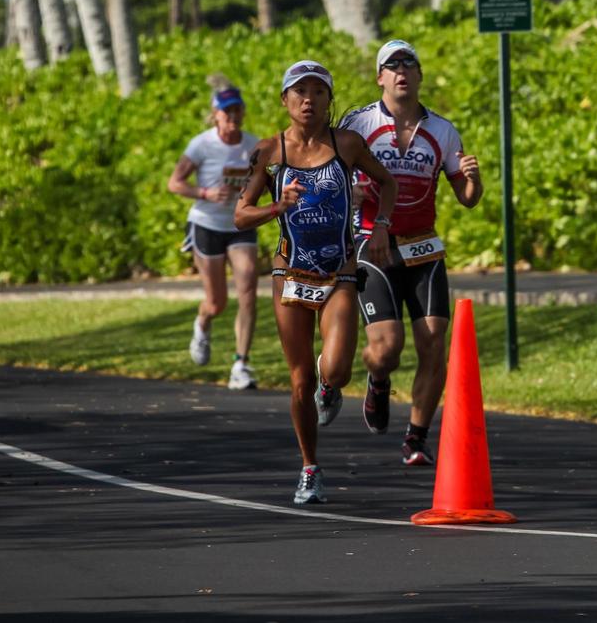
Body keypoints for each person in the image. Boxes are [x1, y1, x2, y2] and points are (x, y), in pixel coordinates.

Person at [235, 60, 397, 505]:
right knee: (300, 378)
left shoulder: (346, 143)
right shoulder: (270, 152)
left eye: (318, 92)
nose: (309, 100)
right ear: (285, 100)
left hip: (339, 272)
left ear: (329, 100)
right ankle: (310, 468)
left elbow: (386, 182)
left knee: (338, 369)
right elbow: (240, 213)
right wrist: (276, 208)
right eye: (299, 92)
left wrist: (380, 225)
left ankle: (333, 387)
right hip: (290, 273)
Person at [339, 40, 483, 466]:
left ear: (419, 75)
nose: (402, 70)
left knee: (435, 339)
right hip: (373, 242)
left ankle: (416, 438)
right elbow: (330, 178)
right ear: (380, 76)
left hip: (423, 246)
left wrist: (473, 180)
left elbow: (467, 197)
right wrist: (354, 189)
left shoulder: (443, 130)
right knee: (386, 348)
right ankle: (378, 380)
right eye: (392, 65)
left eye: (410, 63)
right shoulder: (358, 123)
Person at [167, 76, 262, 391]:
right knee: (217, 302)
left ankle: (241, 364)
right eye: (226, 112)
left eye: (237, 111)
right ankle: (203, 323)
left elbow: (265, 180)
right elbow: (175, 183)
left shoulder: (253, 145)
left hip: (238, 225)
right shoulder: (201, 144)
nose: (232, 117)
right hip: (206, 224)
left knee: (248, 287)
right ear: (215, 115)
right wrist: (206, 193)